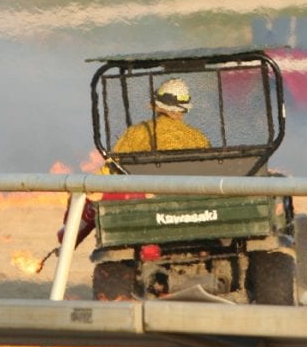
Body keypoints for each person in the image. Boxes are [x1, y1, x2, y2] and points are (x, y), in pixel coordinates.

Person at [53, 78, 210, 249]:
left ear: (156, 106)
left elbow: (111, 169)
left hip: (147, 211)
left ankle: (67, 243)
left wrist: (85, 187)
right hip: (197, 208)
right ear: (184, 109)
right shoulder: (198, 138)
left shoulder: (137, 133)